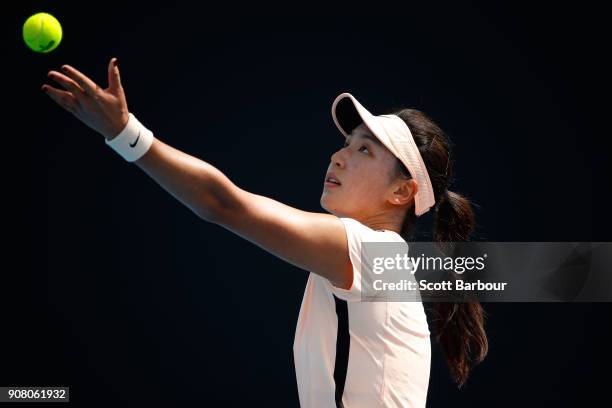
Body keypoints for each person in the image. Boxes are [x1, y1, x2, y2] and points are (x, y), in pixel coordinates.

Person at [42, 58, 488, 407]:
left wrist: (125, 133)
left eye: (364, 150)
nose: (338, 157)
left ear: (401, 191)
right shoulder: (378, 262)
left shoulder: (370, 252)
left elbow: (222, 205)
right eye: (346, 144)